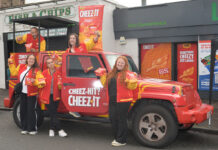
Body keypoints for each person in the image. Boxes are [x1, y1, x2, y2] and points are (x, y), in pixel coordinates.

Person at [95, 56, 138, 147]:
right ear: (116, 63)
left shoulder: (128, 74)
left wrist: (132, 82)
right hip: (112, 100)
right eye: (119, 62)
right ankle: (117, 137)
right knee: (113, 118)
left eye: (122, 63)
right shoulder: (111, 73)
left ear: (125, 65)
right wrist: (102, 75)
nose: (120, 64)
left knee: (121, 119)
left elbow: (132, 86)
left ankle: (122, 140)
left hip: (124, 100)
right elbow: (105, 84)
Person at [8, 54, 45, 135]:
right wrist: (11, 63)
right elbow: (14, 73)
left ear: (34, 61)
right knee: (23, 110)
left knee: (31, 111)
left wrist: (35, 82)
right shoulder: (21, 66)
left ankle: (32, 129)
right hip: (22, 93)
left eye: (33, 59)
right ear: (27, 59)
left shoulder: (36, 70)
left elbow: (41, 81)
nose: (31, 60)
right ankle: (24, 128)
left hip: (32, 93)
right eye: (30, 59)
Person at [39, 58, 67, 137]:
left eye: (51, 62)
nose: (50, 64)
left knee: (53, 113)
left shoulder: (58, 73)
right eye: (48, 63)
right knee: (53, 113)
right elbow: (40, 83)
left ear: (54, 63)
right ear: (47, 65)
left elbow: (61, 84)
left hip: (56, 96)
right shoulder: (44, 73)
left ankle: (51, 129)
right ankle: (60, 130)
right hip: (47, 97)